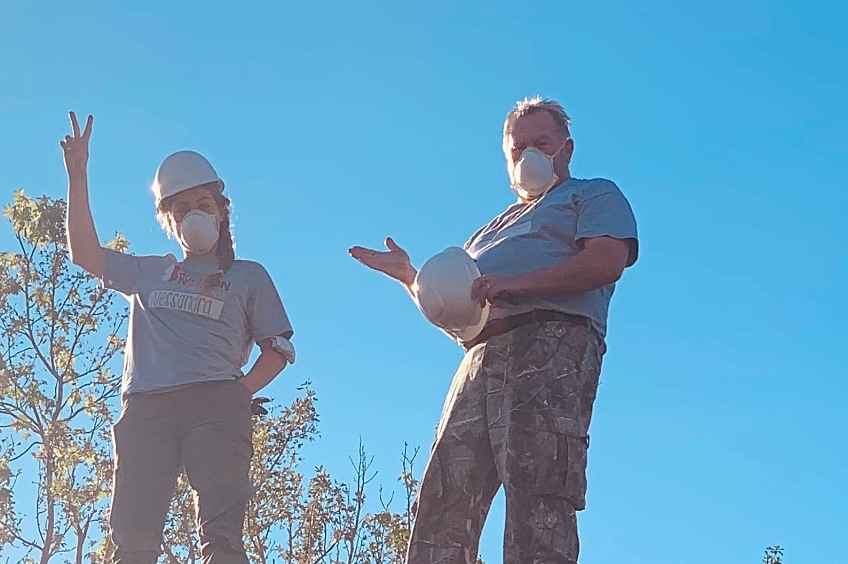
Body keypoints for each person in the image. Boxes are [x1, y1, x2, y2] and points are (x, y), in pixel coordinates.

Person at [349, 96, 638, 564]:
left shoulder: (593, 194)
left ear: (565, 148)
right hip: (480, 358)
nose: (528, 157)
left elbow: (605, 263)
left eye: (540, 144)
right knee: (444, 499)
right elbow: (465, 319)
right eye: (517, 150)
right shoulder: (486, 233)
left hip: (552, 346)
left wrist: (515, 285)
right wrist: (410, 277)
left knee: (538, 495)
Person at [61, 112, 295, 563]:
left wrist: (236, 392)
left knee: (222, 536)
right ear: (169, 220)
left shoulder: (248, 276)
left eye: (204, 204)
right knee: (133, 535)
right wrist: (78, 174)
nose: (195, 216)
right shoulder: (150, 271)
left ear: (222, 211)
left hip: (216, 403)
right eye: (182, 208)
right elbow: (85, 254)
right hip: (147, 405)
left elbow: (278, 349)